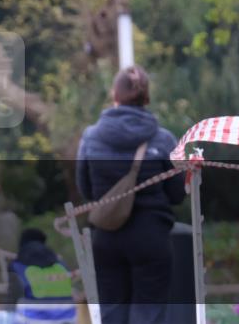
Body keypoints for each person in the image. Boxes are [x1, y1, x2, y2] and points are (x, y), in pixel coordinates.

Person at [76, 65, 186, 324]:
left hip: (106, 236)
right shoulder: (163, 139)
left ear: (114, 94)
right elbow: (177, 194)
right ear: (146, 97)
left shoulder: (91, 138)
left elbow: (86, 189)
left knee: (112, 313)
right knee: (149, 314)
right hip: (151, 237)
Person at [0, 228, 76, 324]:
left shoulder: (17, 265)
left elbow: (12, 301)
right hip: (67, 319)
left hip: (33, 319)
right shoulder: (61, 264)